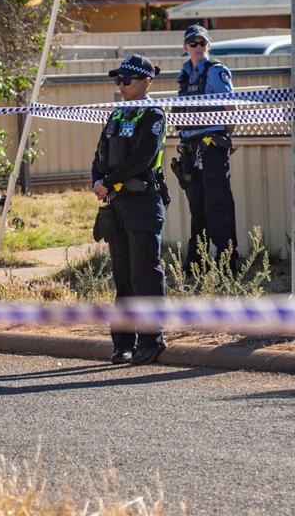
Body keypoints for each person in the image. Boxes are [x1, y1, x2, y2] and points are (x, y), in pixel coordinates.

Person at [91, 54, 170, 366]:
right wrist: (97, 180)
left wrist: (108, 181)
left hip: (142, 202)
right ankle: (123, 343)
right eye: (117, 79)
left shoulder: (152, 115)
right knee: (123, 277)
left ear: (146, 81)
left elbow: (143, 158)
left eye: (127, 79)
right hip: (116, 204)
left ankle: (152, 341)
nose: (120, 84)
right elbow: (99, 152)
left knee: (145, 275)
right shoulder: (115, 115)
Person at [172, 24, 239, 273]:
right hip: (189, 148)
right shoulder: (184, 74)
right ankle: (196, 264)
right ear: (185, 47)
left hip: (211, 147)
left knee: (217, 206)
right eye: (193, 43)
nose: (198, 47)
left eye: (202, 43)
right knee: (197, 208)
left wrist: (224, 139)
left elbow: (229, 109)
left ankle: (227, 265)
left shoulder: (216, 71)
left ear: (208, 45)